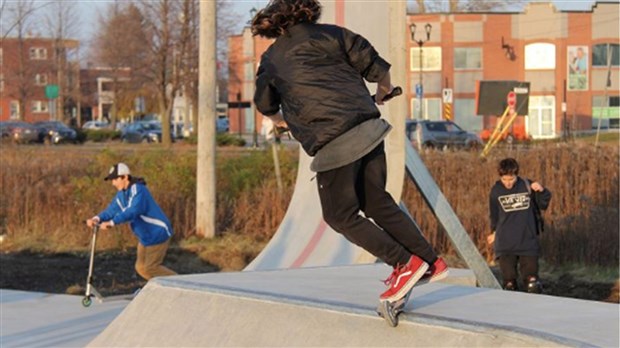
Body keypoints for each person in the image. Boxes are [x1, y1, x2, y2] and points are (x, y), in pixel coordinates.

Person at [251, 0, 447, 303]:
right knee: (378, 202)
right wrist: (383, 90)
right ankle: (431, 261)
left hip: (334, 142)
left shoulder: (272, 59)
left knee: (339, 215)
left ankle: (405, 264)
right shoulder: (336, 34)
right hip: (369, 130)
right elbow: (376, 66)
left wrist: (281, 122)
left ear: (278, 22)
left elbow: (266, 105)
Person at [86, 163, 177, 280]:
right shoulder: (122, 194)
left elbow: (133, 210)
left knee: (150, 267)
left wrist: (112, 223)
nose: (113, 183)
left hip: (158, 232)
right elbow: (112, 209)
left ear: (125, 177)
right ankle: (161, 289)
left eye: (115, 179)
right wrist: (97, 218)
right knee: (140, 268)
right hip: (145, 237)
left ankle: (180, 282)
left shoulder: (138, 190)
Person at [487, 158, 551, 293]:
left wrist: (541, 190)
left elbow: (543, 204)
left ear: (516, 175)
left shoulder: (527, 185)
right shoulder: (496, 191)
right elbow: (494, 215)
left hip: (527, 241)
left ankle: (532, 312)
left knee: (532, 284)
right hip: (505, 244)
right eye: (505, 180)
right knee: (509, 285)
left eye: (511, 179)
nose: (508, 183)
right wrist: (493, 232)